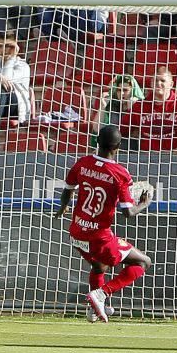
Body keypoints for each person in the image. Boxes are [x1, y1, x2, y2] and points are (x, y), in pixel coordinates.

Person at [55, 125, 153, 323]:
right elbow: (128, 212)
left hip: (76, 233)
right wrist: (144, 203)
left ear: (96, 141)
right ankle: (101, 294)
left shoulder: (82, 163)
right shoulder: (120, 173)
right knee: (143, 262)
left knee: (100, 267)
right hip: (99, 237)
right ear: (118, 146)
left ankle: (93, 309)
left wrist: (63, 207)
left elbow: (68, 189)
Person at [120, 67, 177, 151]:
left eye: (162, 80)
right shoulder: (139, 106)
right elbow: (122, 130)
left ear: (171, 84)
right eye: (155, 80)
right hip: (145, 158)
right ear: (151, 84)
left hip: (174, 157)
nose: (158, 83)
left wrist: (175, 154)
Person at [90, 74, 144, 145]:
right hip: (111, 144)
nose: (121, 93)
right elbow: (96, 129)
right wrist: (102, 107)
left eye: (125, 90)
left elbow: (136, 133)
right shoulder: (111, 105)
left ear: (133, 91)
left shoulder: (141, 107)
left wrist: (131, 109)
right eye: (119, 90)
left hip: (131, 146)